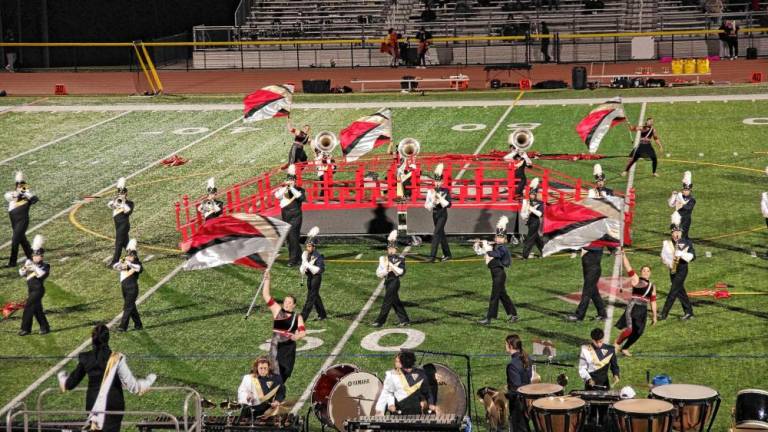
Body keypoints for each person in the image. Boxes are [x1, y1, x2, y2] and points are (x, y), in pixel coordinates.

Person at [58, 324, 156, 432]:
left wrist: (62, 376)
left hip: (93, 404)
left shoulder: (85, 358)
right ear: (107, 338)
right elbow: (132, 385)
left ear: (92, 338)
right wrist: (147, 382)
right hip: (113, 404)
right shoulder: (116, 358)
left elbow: (70, 384)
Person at [262, 270, 306, 382]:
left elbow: (303, 332)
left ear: (294, 305)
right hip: (276, 347)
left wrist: (297, 337)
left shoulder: (297, 317)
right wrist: (267, 279)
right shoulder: (277, 310)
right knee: (273, 374)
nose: (286, 304)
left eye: (289, 302)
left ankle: (276, 396)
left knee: (284, 375)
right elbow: (266, 295)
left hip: (288, 350)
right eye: (285, 302)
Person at [475, 216, 519, 325]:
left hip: (499, 274)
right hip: (496, 274)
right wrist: (481, 245)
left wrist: (487, 249)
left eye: (501, 238)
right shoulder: (497, 246)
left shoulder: (502, 248)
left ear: (504, 239)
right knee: (503, 296)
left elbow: (497, 254)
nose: (498, 239)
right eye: (497, 237)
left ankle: (489, 318)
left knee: (494, 296)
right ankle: (514, 315)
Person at [613, 249, 657, 356]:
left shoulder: (652, 286)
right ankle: (617, 343)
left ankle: (625, 348)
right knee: (629, 329)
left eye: (648, 271)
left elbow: (653, 301)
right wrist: (624, 255)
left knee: (639, 332)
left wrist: (654, 316)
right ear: (641, 272)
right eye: (644, 270)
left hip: (643, 310)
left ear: (650, 273)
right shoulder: (636, 280)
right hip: (633, 307)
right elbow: (628, 268)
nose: (646, 272)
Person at [375, 351, 436, 415]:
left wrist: (430, 403)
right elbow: (387, 392)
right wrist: (390, 404)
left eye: (399, 361)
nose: (397, 363)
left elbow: (427, 392)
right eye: (396, 361)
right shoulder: (392, 374)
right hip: (398, 411)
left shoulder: (421, 374)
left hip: (416, 411)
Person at [660, 212, 696, 320]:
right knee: (680, 291)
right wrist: (669, 261)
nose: (677, 234)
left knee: (673, 291)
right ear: (671, 233)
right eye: (675, 232)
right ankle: (689, 312)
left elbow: (693, 256)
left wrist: (681, 254)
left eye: (678, 232)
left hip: (682, 269)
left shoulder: (687, 242)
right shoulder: (667, 243)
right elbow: (663, 256)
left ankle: (663, 314)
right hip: (672, 269)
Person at [373, 230, 410, 327]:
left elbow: (401, 272)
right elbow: (378, 273)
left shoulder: (400, 259)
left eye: (392, 248)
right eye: (389, 248)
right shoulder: (383, 259)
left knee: (387, 301)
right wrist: (386, 270)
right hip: (387, 282)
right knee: (395, 301)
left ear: (396, 249)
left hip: (395, 282)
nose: (390, 250)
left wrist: (392, 267)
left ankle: (380, 321)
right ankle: (404, 319)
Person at [18, 235, 50, 336]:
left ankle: (26, 329)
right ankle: (45, 327)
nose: (36, 257)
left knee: (28, 306)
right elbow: (21, 273)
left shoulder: (46, 266)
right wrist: (25, 267)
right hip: (31, 290)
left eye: (38, 256)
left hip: (38, 290)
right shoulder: (29, 263)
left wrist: (33, 266)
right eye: (34, 256)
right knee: (37, 309)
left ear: (42, 256)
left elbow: (41, 274)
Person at [273, 165, 305, 267]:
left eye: (292, 180)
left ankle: (293, 260)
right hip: (286, 214)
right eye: (288, 180)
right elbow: (277, 196)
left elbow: (301, 197)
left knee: (293, 237)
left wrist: (291, 188)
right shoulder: (283, 190)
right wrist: (285, 187)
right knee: (290, 237)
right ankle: (300, 258)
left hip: (296, 215)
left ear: (295, 181)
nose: (290, 181)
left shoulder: (299, 189)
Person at [5, 171, 38, 268]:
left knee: (15, 240)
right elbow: (11, 194)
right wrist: (20, 193)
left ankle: (12, 262)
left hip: (22, 221)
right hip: (14, 222)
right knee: (22, 241)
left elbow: (34, 199)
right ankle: (31, 257)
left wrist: (29, 195)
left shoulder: (26, 198)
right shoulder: (12, 196)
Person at [567, 245, 607, 322]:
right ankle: (602, 314)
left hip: (593, 270)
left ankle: (579, 315)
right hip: (588, 268)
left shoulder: (596, 242)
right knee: (593, 292)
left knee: (586, 292)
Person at [113, 239, 143, 332]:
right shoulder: (124, 260)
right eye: (128, 253)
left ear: (135, 255)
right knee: (131, 307)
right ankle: (138, 324)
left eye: (131, 254)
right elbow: (115, 266)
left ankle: (122, 327)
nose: (129, 255)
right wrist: (122, 263)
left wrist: (129, 264)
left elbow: (139, 269)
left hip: (132, 288)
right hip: (124, 287)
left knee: (127, 307)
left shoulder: (137, 263)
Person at [425, 163, 452, 263]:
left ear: (442, 181)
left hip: (443, 215)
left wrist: (440, 199)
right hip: (435, 214)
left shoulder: (446, 191)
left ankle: (432, 256)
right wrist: (433, 202)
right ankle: (448, 254)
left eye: (439, 181)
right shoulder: (430, 191)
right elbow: (427, 206)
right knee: (441, 233)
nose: (437, 183)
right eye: (436, 181)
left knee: (436, 233)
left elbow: (449, 205)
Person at [505, 334, 532, 432]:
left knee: (519, 428)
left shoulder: (512, 365)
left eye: (506, 344)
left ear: (510, 346)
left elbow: (517, 388)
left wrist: (507, 392)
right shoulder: (527, 358)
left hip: (517, 403)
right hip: (527, 400)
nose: (505, 346)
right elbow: (527, 379)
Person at [300, 227, 327, 321]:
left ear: (314, 247)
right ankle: (322, 314)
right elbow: (302, 268)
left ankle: (303, 317)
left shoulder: (318, 256)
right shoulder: (306, 254)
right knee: (315, 296)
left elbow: (319, 270)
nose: (308, 248)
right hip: (309, 278)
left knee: (310, 297)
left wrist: (307, 264)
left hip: (316, 278)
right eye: (307, 246)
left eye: (310, 246)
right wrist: (303, 266)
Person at [107, 177, 134, 267]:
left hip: (124, 225)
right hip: (118, 225)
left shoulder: (130, 203)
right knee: (125, 243)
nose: (120, 194)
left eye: (122, 193)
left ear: (126, 194)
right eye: (119, 193)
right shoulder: (116, 201)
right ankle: (133, 258)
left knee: (118, 243)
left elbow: (128, 211)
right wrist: (115, 202)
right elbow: (109, 205)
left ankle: (115, 262)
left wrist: (123, 204)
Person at [667, 171, 696, 239]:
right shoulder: (679, 196)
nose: (685, 191)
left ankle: (686, 248)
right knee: (675, 236)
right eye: (684, 190)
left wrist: (682, 204)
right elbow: (671, 205)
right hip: (677, 218)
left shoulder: (692, 199)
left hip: (686, 219)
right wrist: (673, 196)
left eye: (687, 190)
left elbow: (688, 207)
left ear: (690, 191)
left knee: (684, 236)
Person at [521, 178, 544, 259]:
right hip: (529, 221)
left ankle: (525, 255)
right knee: (536, 238)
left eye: (533, 194)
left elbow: (540, 214)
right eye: (530, 194)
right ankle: (544, 251)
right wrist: (524, 215)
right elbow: (523, 213)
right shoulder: (527, 202)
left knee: (530, 238)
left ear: (535, 195)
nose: (532, 196)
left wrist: (530, 208)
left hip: (535, 222)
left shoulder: (540, 203)